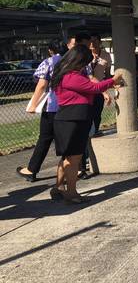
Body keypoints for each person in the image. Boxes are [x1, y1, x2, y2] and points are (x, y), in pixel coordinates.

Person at [50, 45, 122, 204]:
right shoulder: (70, 76)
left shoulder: (66, 74)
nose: (85, 66)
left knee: (68, 157)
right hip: (73, 119)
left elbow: (90, 86)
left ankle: (58, 188)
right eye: (84, 62)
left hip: (71, 119)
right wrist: (113, 81)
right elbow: (94, 87)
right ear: (77, 61)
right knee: (74, 159)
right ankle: (71, 193)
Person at [16, 41, 63, 182]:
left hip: (51, 105)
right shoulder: (71, 61)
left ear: (50, 50)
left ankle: (31, 169)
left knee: (44, 138)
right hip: (68, 104)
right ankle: (77, 168)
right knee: (65, 138)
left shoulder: (49, 62)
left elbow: (42, 84)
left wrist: (33, 104)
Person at [78, 33, 113, 177]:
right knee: (84, 124)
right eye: (89, 41)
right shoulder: (83, 57)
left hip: (98, 90)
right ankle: (83, 158)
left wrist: (107, 88)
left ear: (99, 42)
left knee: (96, 118)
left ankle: (92, 144)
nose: (92, 44)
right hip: (86, 92)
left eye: (94, 41)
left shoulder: (105, 56)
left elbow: (106, 74)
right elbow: (88, 76)